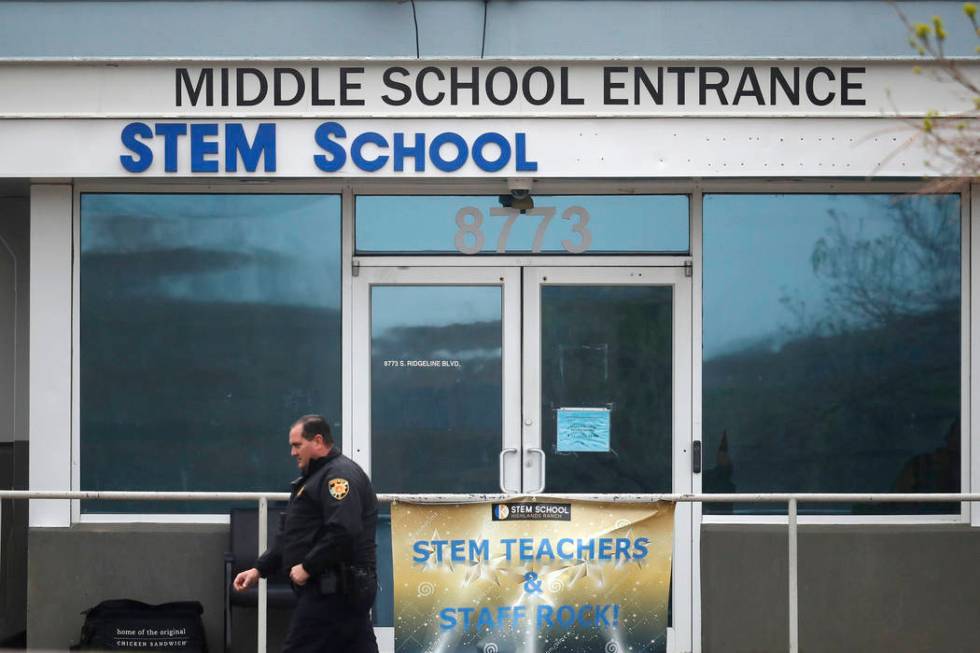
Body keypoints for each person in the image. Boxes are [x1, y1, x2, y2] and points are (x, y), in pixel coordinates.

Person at [233, 414, 379, 653]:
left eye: (297, 445)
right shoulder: (314, 479)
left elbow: (343, 530)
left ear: (318, 441)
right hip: (337, 590)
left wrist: (308, 567)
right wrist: (259, 569)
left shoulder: (338, 477)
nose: (292, 452)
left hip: (333, 590)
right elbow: (294, 534)